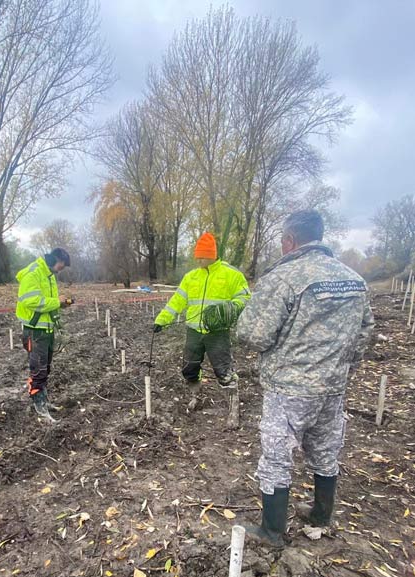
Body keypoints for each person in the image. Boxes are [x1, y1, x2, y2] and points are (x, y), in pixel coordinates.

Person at [237, 210, 374, 546]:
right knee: (326, 448)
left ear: (289, 241)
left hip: (289, 388)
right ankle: (321, 514)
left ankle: (272, 531)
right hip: (333, 386)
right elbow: (365, 330)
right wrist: (343, 366)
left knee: (277, 455)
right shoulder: (354, 280)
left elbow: (253, 335)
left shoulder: (284, 278)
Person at [153, 232, 250, 406]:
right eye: (197, 257)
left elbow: (245, 298)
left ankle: (233, 402)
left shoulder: (231, 274)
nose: (198, 261)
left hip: (217, 332)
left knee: (224, 370)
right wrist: (162, 320)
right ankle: (195, 395)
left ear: (212, 255)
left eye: (202, 257)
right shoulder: (191, 277)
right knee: (189, 367)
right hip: (194, 331)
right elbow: (177, 301)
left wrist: (228, 309)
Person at [15, 247, 73, 421]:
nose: (62, 268)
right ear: (53, 259)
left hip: (47, 329)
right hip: (35, 331)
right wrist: (56, 301)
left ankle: (43, 400)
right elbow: (30, 300)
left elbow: (48, 303)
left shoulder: (49, 275)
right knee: (38, 369)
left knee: (45, 368)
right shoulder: (33, 273)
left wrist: (60, 305)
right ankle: (39, 407)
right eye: (62, 264)